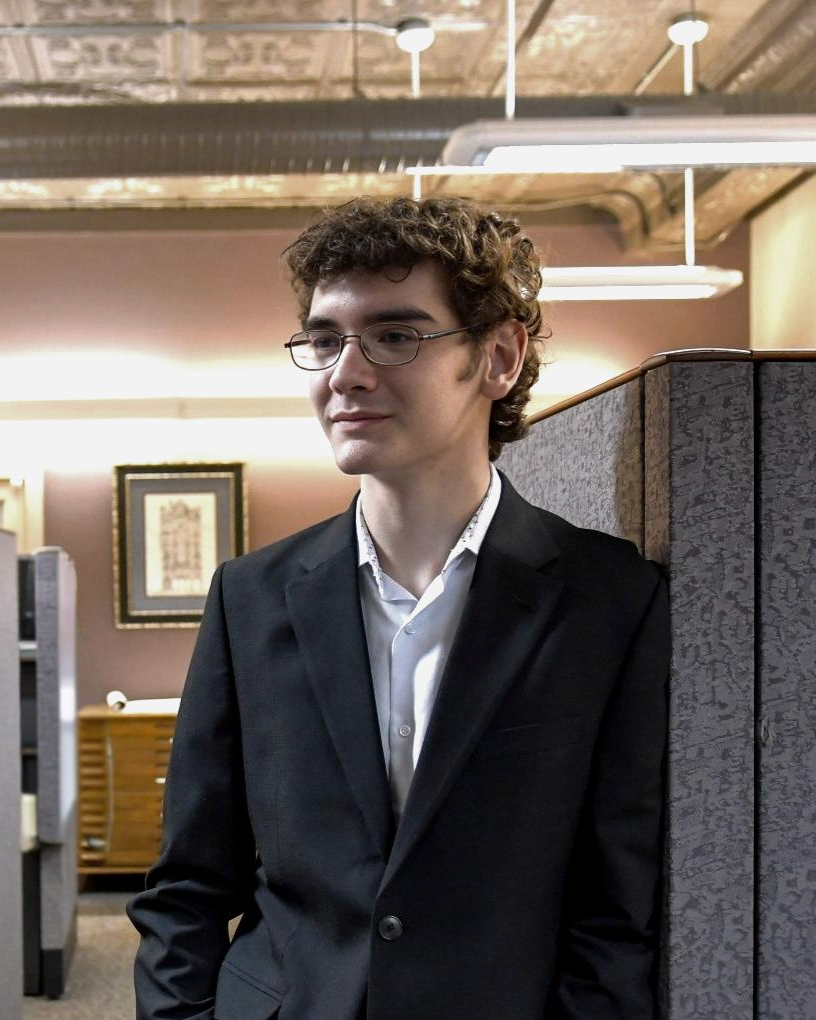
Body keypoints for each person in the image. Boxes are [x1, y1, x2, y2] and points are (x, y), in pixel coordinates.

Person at [128, 196, 669, 1020]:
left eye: (394, 336)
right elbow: (188, 887)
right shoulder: (251, 598)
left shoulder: (609, 599)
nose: (345, 373)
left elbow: (615, 909)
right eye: (324, 340)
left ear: (498, 358)